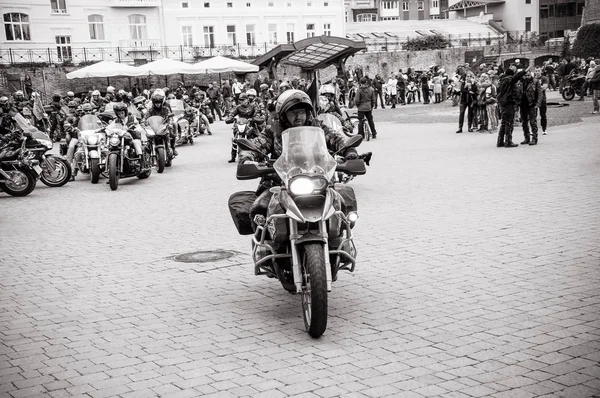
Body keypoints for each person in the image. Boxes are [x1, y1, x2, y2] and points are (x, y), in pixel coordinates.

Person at [237, 89, 359, 227]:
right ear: (283, 115)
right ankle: (263, 245)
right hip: (280, 183)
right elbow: (258, 145)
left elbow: (336, 139)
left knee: (344, 207)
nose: (298, 116)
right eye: (292, 112)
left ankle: (342, 241)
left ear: (307, 113)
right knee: (259, 210)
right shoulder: (274, 130)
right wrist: (247, 157)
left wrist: (350, 151)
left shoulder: (317, 126)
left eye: (301, 111)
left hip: (317, 180)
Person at [225, 92, 265, 163]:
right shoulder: (238, 107)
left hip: (251, 124)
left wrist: (254, 118)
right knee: (235, 138)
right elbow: (232, 113)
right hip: (241, 124)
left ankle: (262, 156)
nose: (242, 101)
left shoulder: (253, 106)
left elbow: (257, 113)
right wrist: (230, 117)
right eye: (240, 100)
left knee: (259, 137)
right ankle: (233, 157)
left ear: (247, 99)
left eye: (243, 99)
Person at [496, 64, 529, 148]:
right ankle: (508, 141)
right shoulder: (508, 80)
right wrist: (524, 71)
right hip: (508, 103)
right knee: (509, 123)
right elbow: (515, 78)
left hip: (503, 103)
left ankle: (500, 141)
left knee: (504, 122)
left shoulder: (502, 80)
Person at [143, 89, 177, 157]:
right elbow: (145, 118)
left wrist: (169, 122)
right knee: (147, 135)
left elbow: (169, 116)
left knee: (171, 132)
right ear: (153, 103)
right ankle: (148, 147)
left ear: (161, 102)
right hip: (154, 128)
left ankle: (171, 147)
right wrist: (144, 122)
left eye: (159, 102)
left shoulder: (166, 109)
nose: (157, 104)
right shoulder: (150, 110)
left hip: (163, 127)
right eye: (156, 103)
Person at [519, 70, 543, 145]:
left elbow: (540, 94)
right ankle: (527, 137)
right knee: (524, 122)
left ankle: (534, 138)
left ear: (531, 75)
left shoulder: (535, 82)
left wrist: (537, 104)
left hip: (532, 104)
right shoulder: (521, 82)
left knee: (533, 122)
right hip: (523, 105)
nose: (526, 77)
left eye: (528, 75)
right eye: (525, 75)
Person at [535, 67, 549, 135]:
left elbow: (544, 87)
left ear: (541, 71)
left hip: (542, 99)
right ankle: (534, 130)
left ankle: (544, 129)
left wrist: (536, 89)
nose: (537, 72)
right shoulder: (533, 79)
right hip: (535, 99)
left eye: (538, 71)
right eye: (536, 71)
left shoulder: (544, 78)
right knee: (533, 115)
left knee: (543, 114)